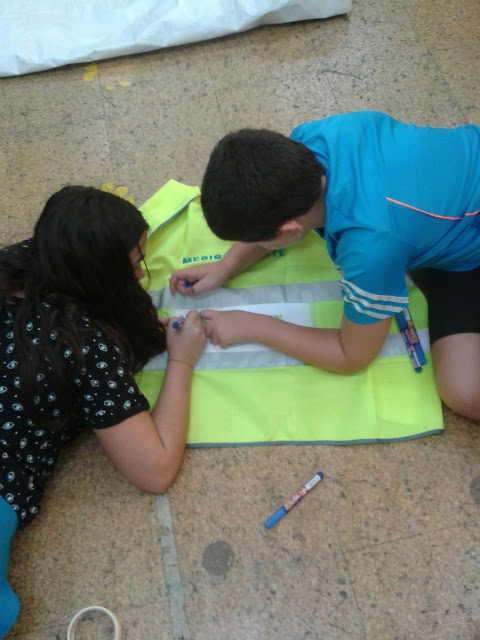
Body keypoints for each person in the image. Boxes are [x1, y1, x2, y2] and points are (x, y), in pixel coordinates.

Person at [169, 111, 480, 421]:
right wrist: (226, 266)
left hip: (467, 247)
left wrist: (251, 325)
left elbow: (351, 354)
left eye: (259, 239)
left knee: (463, 390)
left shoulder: (370, 248)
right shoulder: (312, 140)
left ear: (289, 231)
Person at [0, 186, 205, 637]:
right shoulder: (82, 342)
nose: (141, 274)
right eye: (134, 264)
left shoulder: (23, 258)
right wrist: (182, 359)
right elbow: (154, 469)